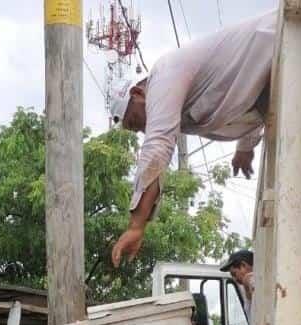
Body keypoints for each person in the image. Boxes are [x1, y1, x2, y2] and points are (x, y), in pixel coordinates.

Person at [110, 9, 277, 267]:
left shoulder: (163, 76)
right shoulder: (183, 109)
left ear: (138, 93)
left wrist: (136, 225)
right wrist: (245, 147)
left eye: (135, 120)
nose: (143, 128)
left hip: (281, 40)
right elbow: (244, 95)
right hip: (276, 72)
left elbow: (156, 149)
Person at [220, 249, 254, 322]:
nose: (234, 279)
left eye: (234, 274)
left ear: (243, 265)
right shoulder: (247, 290)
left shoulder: (253, 281)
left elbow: (249, 278)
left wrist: (248, 280)